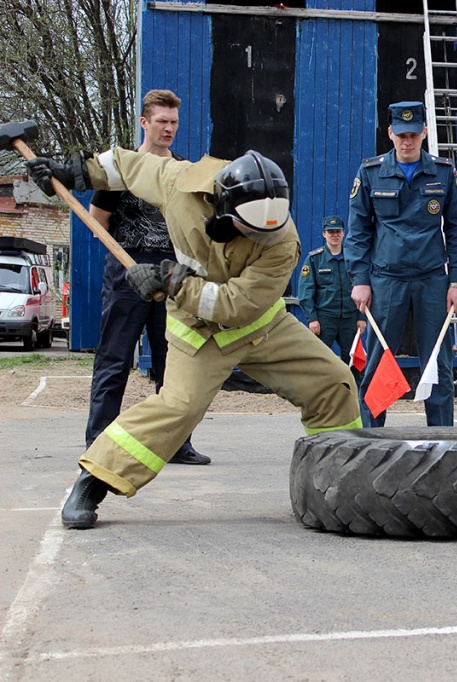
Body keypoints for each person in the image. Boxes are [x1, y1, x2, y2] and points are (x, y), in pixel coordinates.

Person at [27, 148, 362, 529]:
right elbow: (126, 166)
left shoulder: (282, 240)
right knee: (178, 410)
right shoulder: (179, 184)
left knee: (333, 382)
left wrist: (170, 282)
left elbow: (237, 306)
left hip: (259, 326)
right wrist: (73, 171)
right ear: (226, 206)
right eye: (249, 228)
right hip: (198, 331)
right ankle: (93, 480)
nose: (259, 237)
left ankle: (338, 479)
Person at [86, 89, 209, 465]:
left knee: (173, 362)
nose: (169, 128)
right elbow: (98, 222)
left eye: (173, 122)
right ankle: (99, 442)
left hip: (173, 274)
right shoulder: (121, 170)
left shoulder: (184, 171)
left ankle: (176, 444)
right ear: (144, 122)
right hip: (128, 269)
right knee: (114, 358)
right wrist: (125, 261)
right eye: (162, 121)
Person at [345, 101, 457, 427]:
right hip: (386, 281)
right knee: (377, 363)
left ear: (424, 132)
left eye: (414, 134)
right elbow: (357, 230)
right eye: (401, 135)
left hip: (432, 281)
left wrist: (456, 282)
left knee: (439, 364)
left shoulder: (443, 172)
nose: (407, 141)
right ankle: (372, 440)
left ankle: (443, 440)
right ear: (390, 133)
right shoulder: (370, 173)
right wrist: (360, 278)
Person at [297, 216, 364, 366]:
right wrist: (312, 318)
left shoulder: (353, 258)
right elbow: (305, 291)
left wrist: (362, 317)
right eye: (330, 231)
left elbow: (363, 287)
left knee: (354, 361)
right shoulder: (314, 259)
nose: (334, 235)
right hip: (325, 319)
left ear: (343, 233)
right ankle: (319, 389)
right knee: (319, 361)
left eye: (338, 231)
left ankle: (354, 389)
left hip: (350, 319)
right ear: (324, 234)